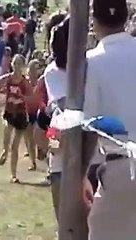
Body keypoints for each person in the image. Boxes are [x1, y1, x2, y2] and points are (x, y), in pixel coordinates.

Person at [81, 0, 136, 238]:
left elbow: (91, 123)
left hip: (121, 166)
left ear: (94, 21)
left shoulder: (92, 61)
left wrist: (82, 173)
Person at [0, 54, 32, 183]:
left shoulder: (25, 82)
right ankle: (4, 150)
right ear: (12, 65)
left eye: (19, 65)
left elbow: (31, 97)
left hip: (20, 113)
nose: (17, 68)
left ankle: (13, 175)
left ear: (23, 67)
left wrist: (22, 97)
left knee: (15, 146)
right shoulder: (8, 78)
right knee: (7, 129)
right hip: (9, 111)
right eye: (15, 64)